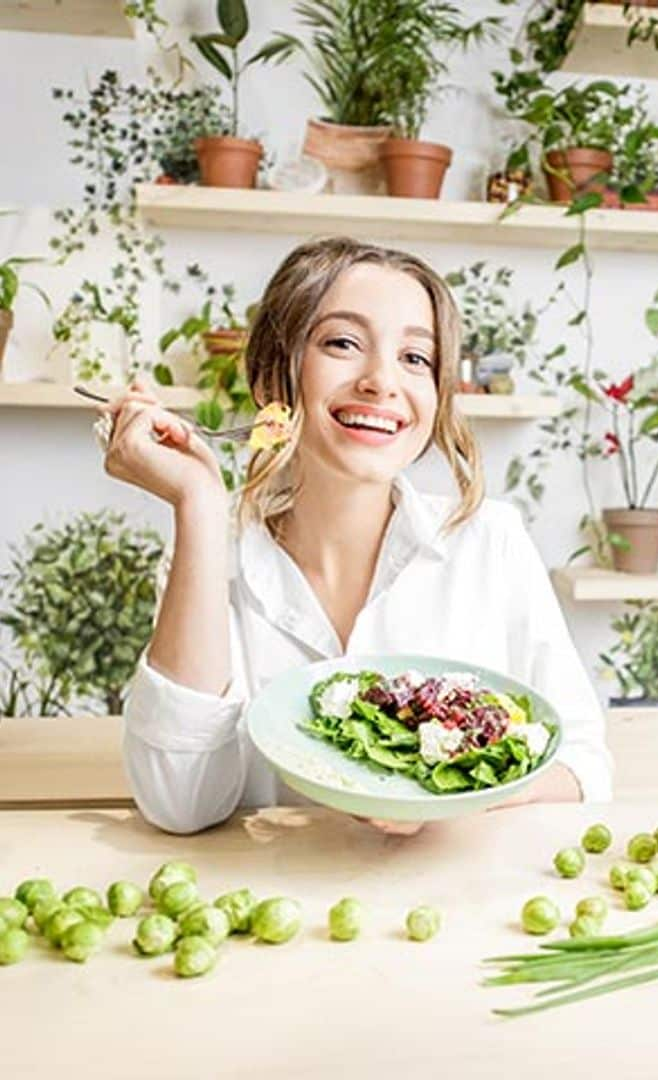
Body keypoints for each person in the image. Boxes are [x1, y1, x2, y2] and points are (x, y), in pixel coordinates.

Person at [100, 237, 613, 835]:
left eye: (416, 359)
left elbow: (582, 765)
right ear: (272, 379)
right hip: (268, 910)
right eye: (343, 343)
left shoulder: (490, 541)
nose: (381, 381)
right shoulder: (213, 549)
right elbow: (180, 802)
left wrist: (446, 797)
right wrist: (197, 503)